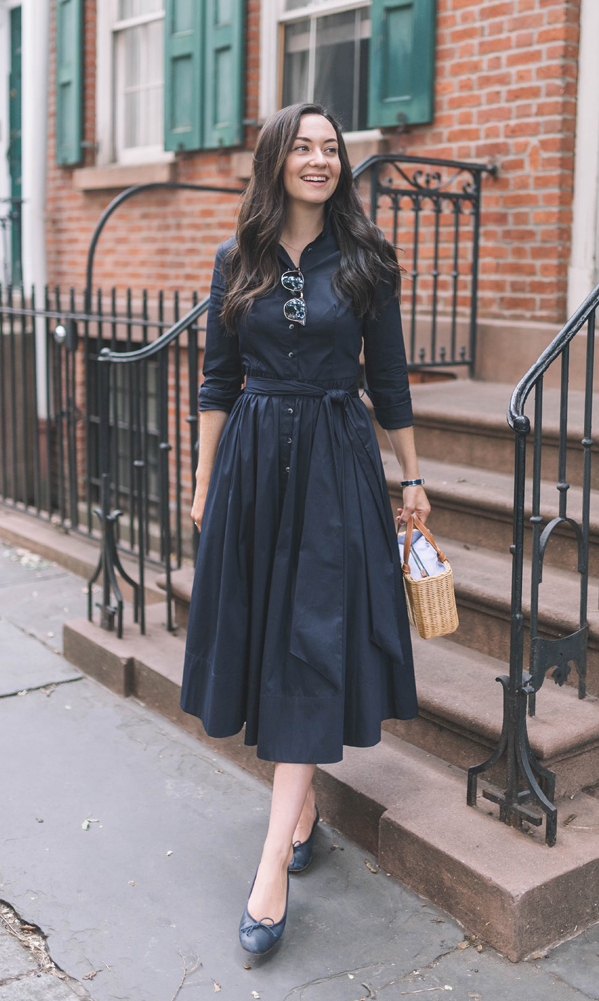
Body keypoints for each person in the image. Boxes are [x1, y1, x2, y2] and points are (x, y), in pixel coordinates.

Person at [179, 102, 430, 955]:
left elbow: (389, 378)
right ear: (276, 160)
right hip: (253, 465)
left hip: (334, 462)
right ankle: (305, 804)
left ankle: (270, 869)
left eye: (331, 149)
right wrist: (205, 482)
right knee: (269, 638)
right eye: (304, 147)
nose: (319, 160)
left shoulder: (365, 260)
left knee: (312, 641)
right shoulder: (235, 258)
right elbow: (217, 380)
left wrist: (414, 478)